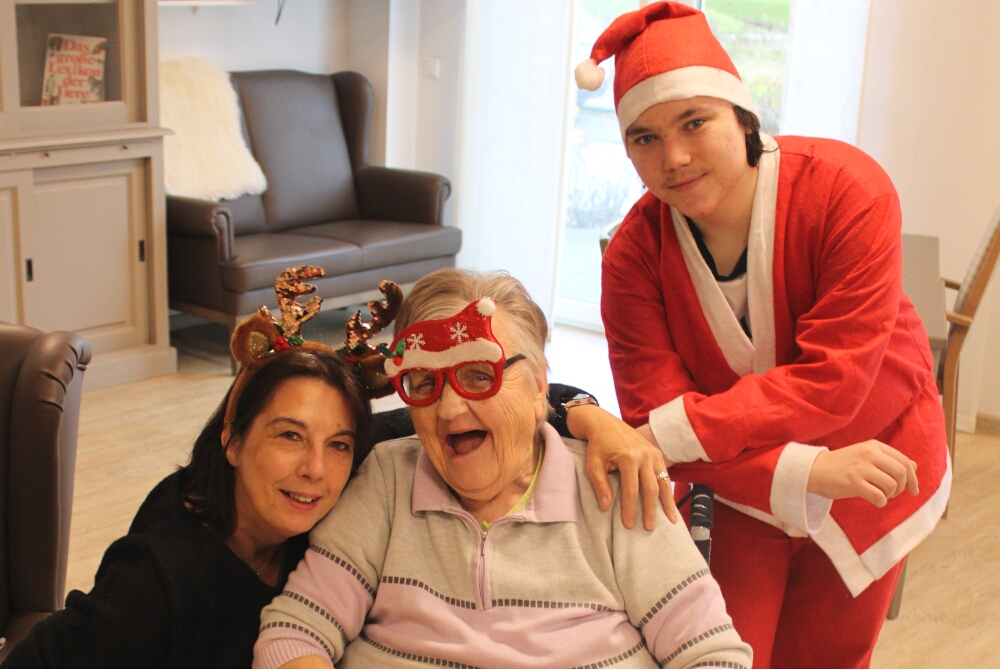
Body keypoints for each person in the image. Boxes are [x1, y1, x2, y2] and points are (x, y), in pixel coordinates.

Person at [0, 270, 657, 668]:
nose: (315, 468)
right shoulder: (162, 574)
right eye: (289, 435)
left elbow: (491, 408)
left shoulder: (365, 468)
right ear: (232, 438)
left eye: (339, 444)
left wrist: (590, 415)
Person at [577, 3, 950, 667]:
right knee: (725, 652)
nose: (674, 158)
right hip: (738, 486)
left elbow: (832, 383)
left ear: (742, 114)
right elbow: (654, 412)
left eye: (695, 122)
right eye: (644, 138)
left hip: (872, 453)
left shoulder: (848, 192)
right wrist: (806, 469)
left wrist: (669, 434)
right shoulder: (633, 258)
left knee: (828, 656)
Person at [254, 268, 752, 669]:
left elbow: (712, 655)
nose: (449, 409)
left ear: (538, 388)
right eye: (424, 384)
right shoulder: (386, 479)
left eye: (479, 376)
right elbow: (296, 631)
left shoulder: (616, 489)